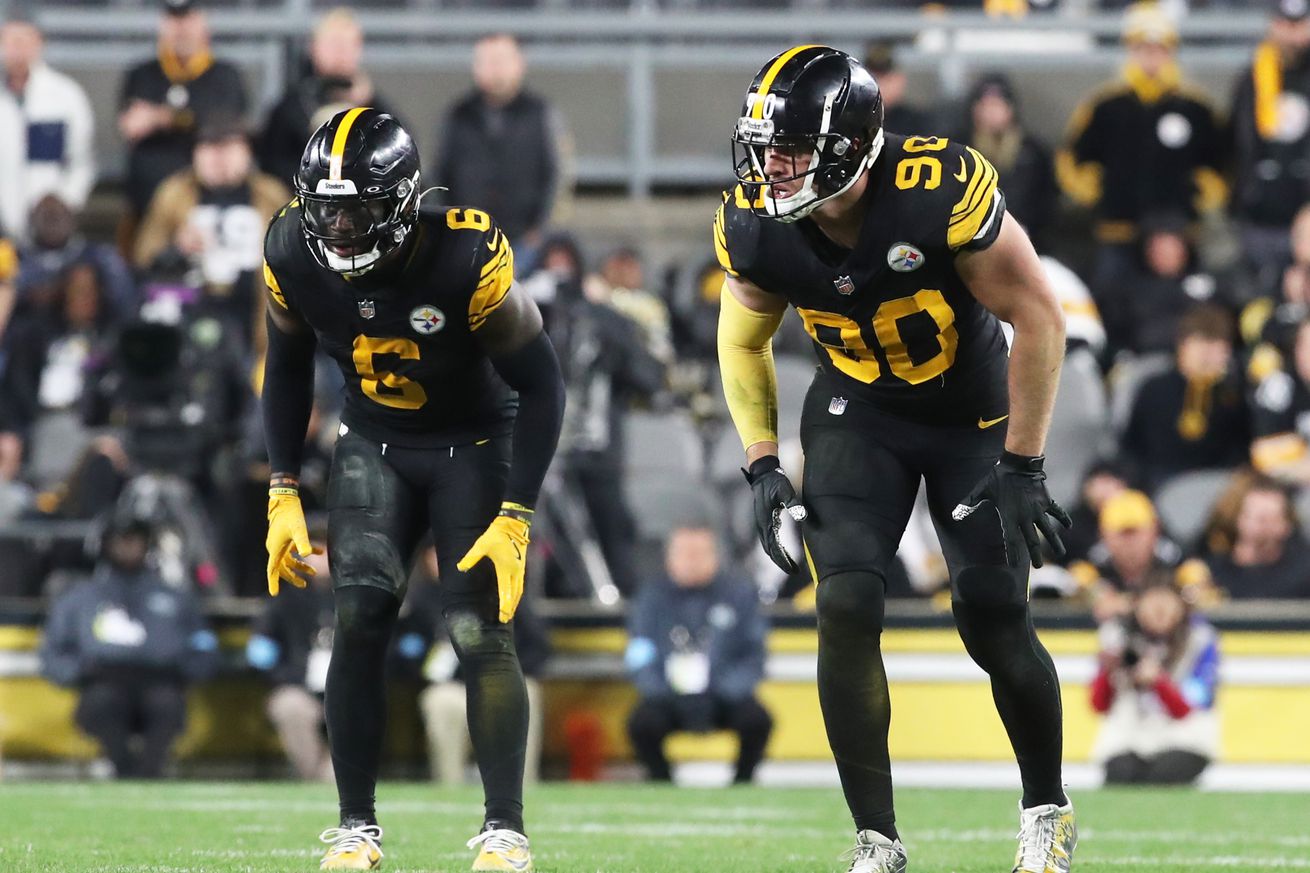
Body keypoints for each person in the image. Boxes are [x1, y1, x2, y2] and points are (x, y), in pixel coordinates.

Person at [716, 46, 1074, 873]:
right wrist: (763, 460)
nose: (772, 166)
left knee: (991, 612)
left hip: (970, 409)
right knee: (842, 605)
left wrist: (1023, 462)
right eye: (766, 146)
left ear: (848, 146)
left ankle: (1047, 808)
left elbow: (1039, 315)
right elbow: (742, 336)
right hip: (857, 411)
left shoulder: (937, 190)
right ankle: (877, 836)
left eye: (792, 148)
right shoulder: (757, 221)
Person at [262, 108, 565, 871]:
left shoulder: (464, 251)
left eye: (356, 206)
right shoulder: (291, 247)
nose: (336, 224)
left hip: (475, 440)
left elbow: (544, 384)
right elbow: (287, 363)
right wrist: (281, 487)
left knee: (476, 626)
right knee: (358, 614)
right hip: (375, 439)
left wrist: (519, 511)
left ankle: (505, 830)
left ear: (399, 201)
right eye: (324, 206)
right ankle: (356, 827)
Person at [1058, 2, 1227, 293]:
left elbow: (1221, 162)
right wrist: (1099, 193)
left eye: (1159, 48)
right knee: (1113, 302)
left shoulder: (1195, 107)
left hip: (1176, 237)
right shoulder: (1105, 105)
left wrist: (1198, 197)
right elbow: (1073, 159)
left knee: (1180, 306)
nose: (1151, 57)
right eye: (1142, 48)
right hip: (1118, 231)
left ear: (1171, 51)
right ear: (1130, 51)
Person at [38, 513, 219, 778]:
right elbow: (53, 651)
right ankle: (125, 770)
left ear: (147, 545)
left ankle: (149, 772)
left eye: (134, 540)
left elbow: (203, 645)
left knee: (166, 705)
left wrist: (187, 670)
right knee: (103, 704)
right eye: (120, 540)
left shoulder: (174, 595)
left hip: (161, 681)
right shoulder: (80, 597)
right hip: (103, 681)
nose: (127, 547)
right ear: (104, 545)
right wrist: (78, 672)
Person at [625, 524, 773, 785]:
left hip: (723, 695)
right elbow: (639, 654)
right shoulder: (651, 598)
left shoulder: (738, 595)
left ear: (715, 556)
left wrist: (721, 689)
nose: (691, 561)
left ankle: (743, 783)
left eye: (699, 553)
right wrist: (664, 691)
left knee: (757, 720)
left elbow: (754, 654)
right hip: (668, 695)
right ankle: (661, 783)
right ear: (669, 557)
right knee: (642, 724)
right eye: (684, 553)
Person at [398, 546, 553, 786]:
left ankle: (520, 786)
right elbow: (407, 654)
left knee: (525, 691)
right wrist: (430, 670)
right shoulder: (421, 600)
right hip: (451, 686)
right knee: (439, 702)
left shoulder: (501, 590)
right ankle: (450, 788)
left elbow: (538, 648)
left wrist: (507, 670)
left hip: (499, 682)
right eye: (435, 554)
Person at [133, 116, 289, 348]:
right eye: (209, 146)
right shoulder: (173, 193)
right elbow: (142, 257)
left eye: (230, 146)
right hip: (190, 319)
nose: (220, 156)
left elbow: (298, 259)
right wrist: (176, 248)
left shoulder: (271, 194)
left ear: (248, 152)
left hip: (256, 323)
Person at [117, 0, 248, 227]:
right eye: (174, 20)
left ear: (203, 23)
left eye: (188, 19)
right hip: (150, 194)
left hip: (210, 196)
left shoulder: (226, 75)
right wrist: (191, 116)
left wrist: (160, 117)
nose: (182, 29)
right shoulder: (141, 74)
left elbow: (223, 123)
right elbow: (131, 126)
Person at [434, 34, 565, 250]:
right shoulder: (457, 116)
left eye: (502, 60)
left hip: (527, 246)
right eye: (487, 61)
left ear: (520, 64)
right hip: (467, 244)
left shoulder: (541, 114)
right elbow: (439, 175)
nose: (495, 69)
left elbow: (557, 175)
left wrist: (539, 232)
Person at [1090, 584, 1220, 785]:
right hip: (1129, 737)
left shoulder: (1199, 640)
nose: (1159, 611)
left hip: (1182, 738)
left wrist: (1158, 682)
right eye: (1151, 604)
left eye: (1166, 603)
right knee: (1122, 773)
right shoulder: (1118, 638)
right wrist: (1108, 671)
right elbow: (1098, 704)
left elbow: (1191, 706)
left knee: (1165, 774)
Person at [257, 8, 397, 188]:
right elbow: (271, 164)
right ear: (313, 48)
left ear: (359, 48)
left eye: (347, 45)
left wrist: (369, 102)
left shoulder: (375, 106)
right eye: (332, 44)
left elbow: (398, 152)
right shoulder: (291, 107)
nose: (340, 52)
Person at [1121, 305, 1251, 492]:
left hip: (1218, 487)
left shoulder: (1234, 395)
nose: (1207, 355)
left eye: (1216, 346)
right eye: (1201, 344)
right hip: (1155, 483)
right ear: (1182, 346)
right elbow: (1131, 447)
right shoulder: (1153, 389)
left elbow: (1241, 452)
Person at [1230, 0, 1310, 287]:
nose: (1292, 34)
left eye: (1299, 24)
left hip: (1306, 213)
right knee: (1259, 291)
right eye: (1285, 24)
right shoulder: (1253, 77)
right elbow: (1239, 142)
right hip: (1262, 214)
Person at [246, 538, 335, 781]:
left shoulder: (357, 597)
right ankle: (317, 780)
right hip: (298, 688)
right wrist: (288, 676)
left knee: (362, 704)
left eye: (327, 549)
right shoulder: (282, 600)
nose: (321, 556)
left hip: (345, 690)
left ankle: (340, 780)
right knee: (290, 706)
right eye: (314, 549)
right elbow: (260, 654)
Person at [0, 17, 95, 242]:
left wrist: (65, 203)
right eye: (11, 41)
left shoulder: (65, 95)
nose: (17, 49)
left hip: (50, 222)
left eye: (24, 41)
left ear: (39, 44)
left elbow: (82, 161)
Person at [958, 73, 1057, 252]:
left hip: (1030, 243)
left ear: (1010, 109)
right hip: (969, 242)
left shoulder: (1034, 151)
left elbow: (1048, 199)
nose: (991, 112)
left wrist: (1027, 227)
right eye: (985, 106)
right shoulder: (959, 149)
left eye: (997, 105)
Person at [1204, 475, 1310, 599]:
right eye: (1256, 517)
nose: (1261, 527)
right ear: (1237, 517)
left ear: (1287, 525)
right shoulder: (1210, 573)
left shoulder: (1303, 574)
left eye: (1271, 519)